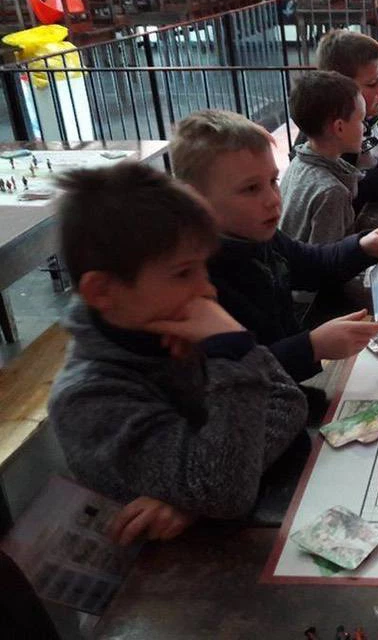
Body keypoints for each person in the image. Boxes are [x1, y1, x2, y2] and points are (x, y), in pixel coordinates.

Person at [48, 163, 308, 529]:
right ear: (102, 291)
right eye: (184, 273)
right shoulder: (88, 398)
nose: (207, 289)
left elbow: (289, 401)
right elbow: (225, 491)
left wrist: (201, 493)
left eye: (204, 268)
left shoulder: (175, 324)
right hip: (166, 562)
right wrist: (234, 354)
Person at [170, 109, 378, 384]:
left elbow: (311, 263)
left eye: (272, 181)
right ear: (195, 200)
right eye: (251, 189)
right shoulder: (197, 282)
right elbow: (233, 374)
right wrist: (312, 346)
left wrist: (362, 247)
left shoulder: (256, 235)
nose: (272, 199)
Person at [296, 29, 378, 209]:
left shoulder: (366, 119)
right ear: (339, 87)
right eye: (372, 83)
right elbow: (353, 190)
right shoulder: (333, 135)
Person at [280, 71, 367, 245]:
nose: (364, 128)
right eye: (361, 120)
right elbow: (329, 257)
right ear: (339, 128)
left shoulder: (298, 162)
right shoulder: (332, 193)